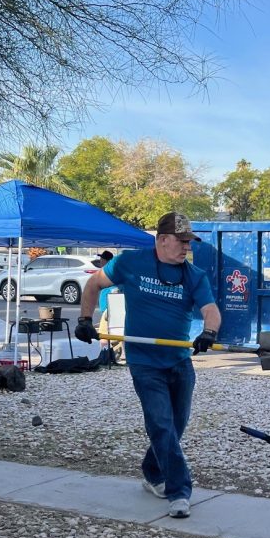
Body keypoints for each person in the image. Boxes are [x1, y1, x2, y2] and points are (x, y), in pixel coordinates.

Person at [75, 212, 221, 519]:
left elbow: (210, 309)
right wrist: (85, 319)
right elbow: (93, 284)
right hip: (144, 362)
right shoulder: (131, 263)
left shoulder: (194, 275)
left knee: (175, 426)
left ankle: (152, 472)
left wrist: (209, 332)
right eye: (181, 242)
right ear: (162, 240)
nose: (186, 248)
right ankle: (179, 491)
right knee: (160, 424)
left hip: (179, 362)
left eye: (189, 243)